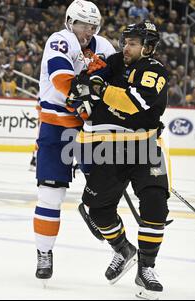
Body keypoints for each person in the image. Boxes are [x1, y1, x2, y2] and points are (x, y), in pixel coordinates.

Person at [70, 21, 170, 299]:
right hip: (111, 148)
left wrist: (99, 90)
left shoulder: (155, 71)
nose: (126, 47)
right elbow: (85, 82)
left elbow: (132, 102)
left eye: (133, 43)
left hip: (144, 147)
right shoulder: (115, 62)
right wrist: (84, 85)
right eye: (126, 42)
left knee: (155, 204)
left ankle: (146, 268)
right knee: (98, 210)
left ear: (148, 47)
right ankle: (124, 250)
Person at [34, 0, 115, 282]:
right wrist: (83, 103)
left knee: (103, 187)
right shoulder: (60, 40)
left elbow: (116, 83)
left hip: (90, 128)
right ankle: (44, 251)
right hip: (56, 126)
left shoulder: (103, 46)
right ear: (71, 22)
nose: (88, 31)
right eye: (83, 25)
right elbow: (61, 78)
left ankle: (97, 214)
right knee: (50, 193)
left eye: (93, 26)